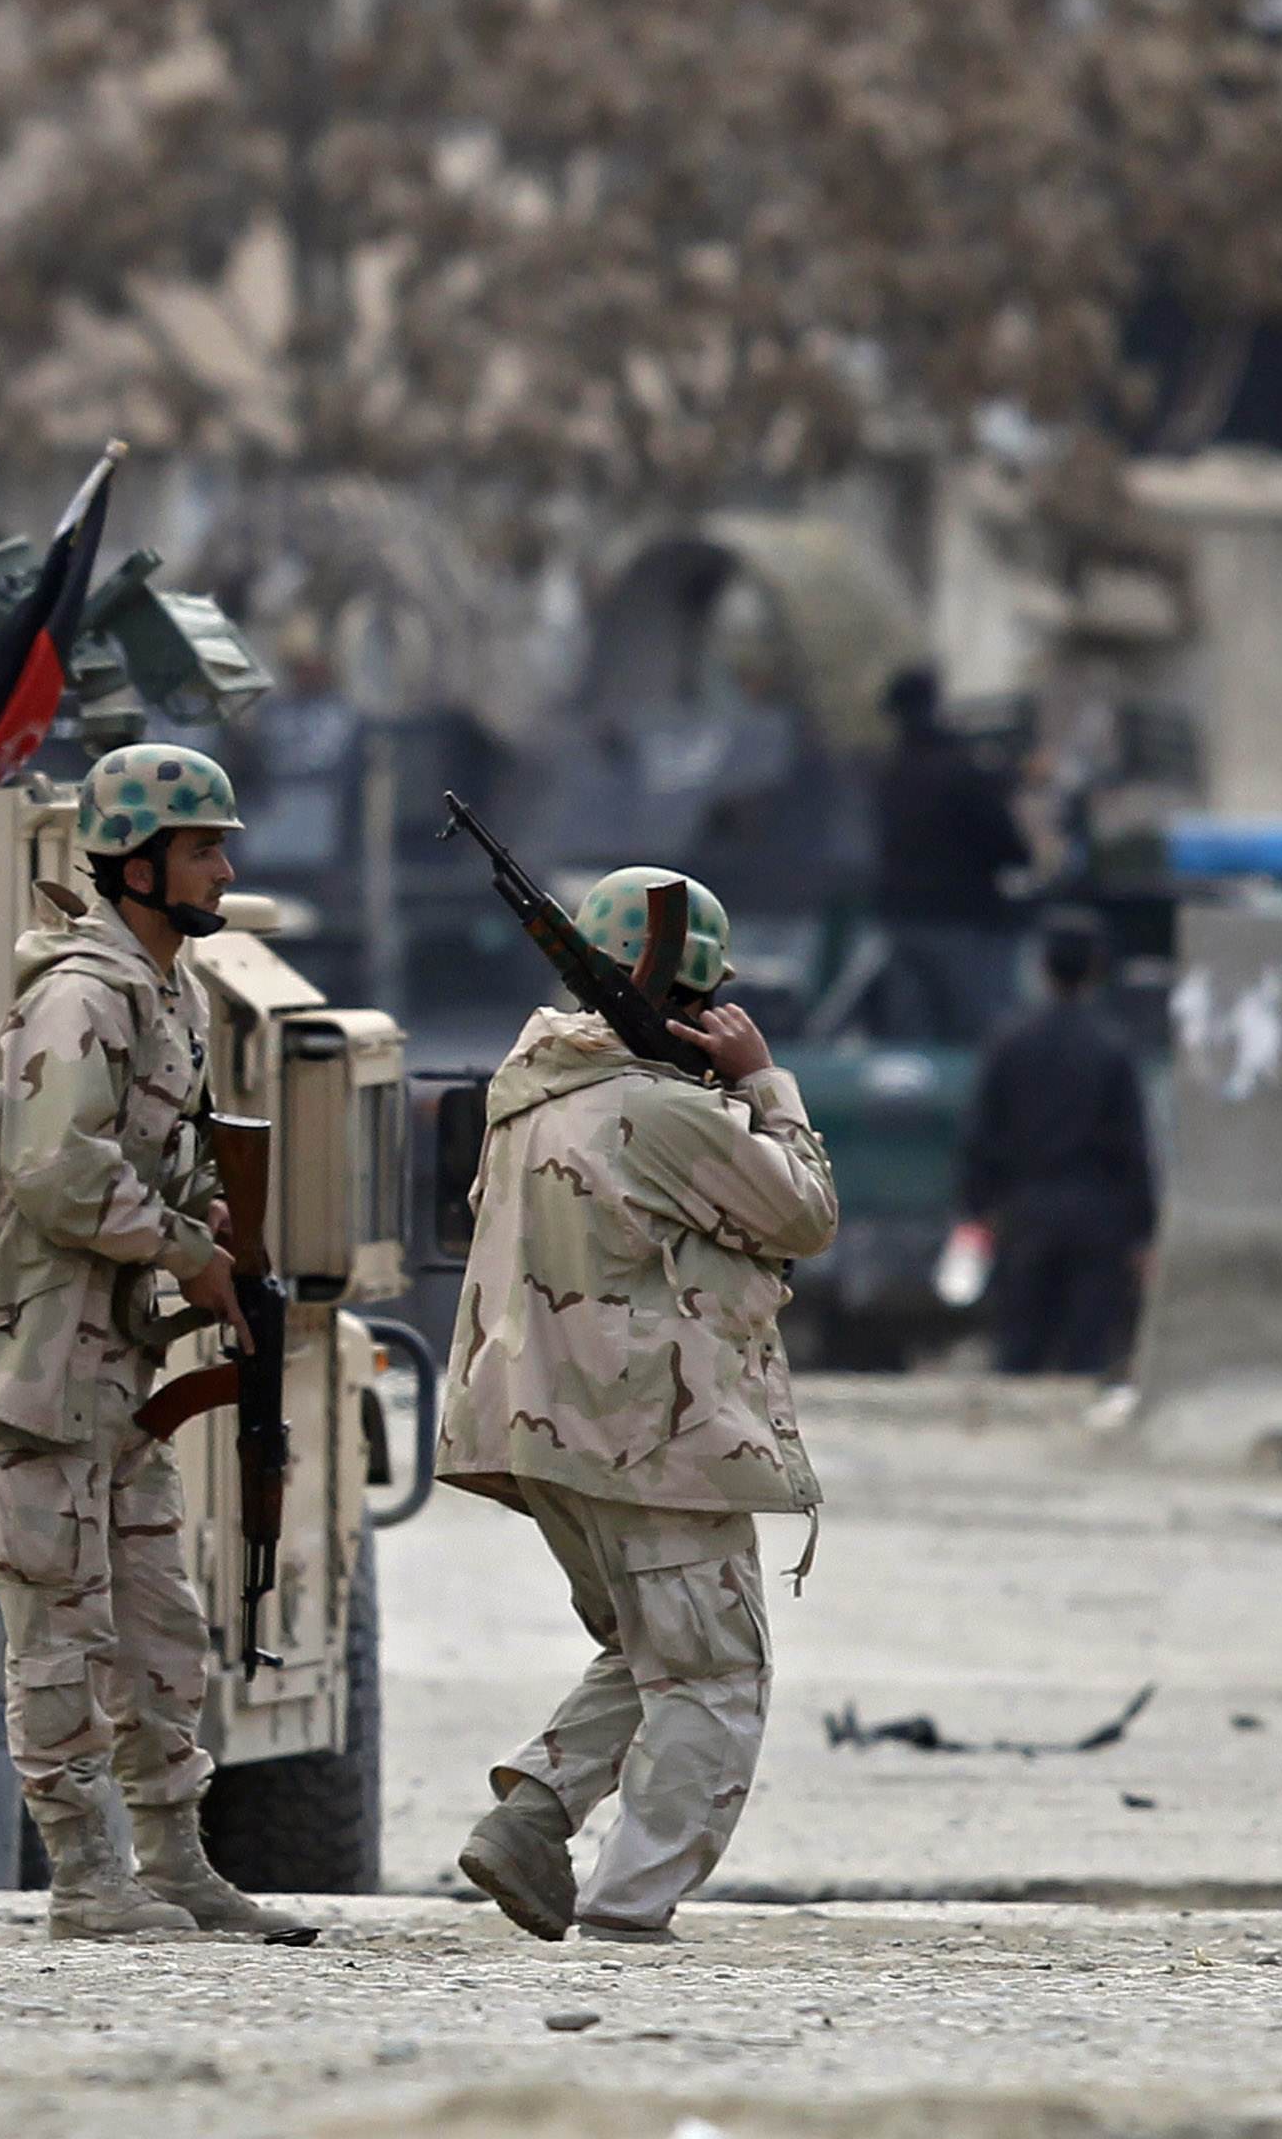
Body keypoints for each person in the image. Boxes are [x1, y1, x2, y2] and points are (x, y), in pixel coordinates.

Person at [0, 743, 306, 1942]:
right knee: (59, 1632)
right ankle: (87, 1876)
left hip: (112, 1366)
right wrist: (186, 1249)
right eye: (202, 849)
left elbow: (151, 1152)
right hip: (37, 1362)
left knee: (160, 1625)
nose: (223, 870)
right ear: (138, 864)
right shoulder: (82, 995)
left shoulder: (167, 993)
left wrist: (208, 1216)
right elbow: (55, 1170)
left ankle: (174, 1862)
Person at [442, 867, 837, 1945]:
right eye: (705, 1000)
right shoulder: (660, 1110)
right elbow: (805, 1212)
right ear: (672, 997)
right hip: (649, 1439)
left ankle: (533, 1816)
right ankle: (627, 1911)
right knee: (713, 1676)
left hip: (549, 1437)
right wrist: (765, 1082)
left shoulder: (532, 1092)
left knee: (650, 1647)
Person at [954, 910, 1155, 1375]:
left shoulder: (1010, 1044)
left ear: (1042, 966)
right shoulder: (1112, 1049)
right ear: (1096, 969)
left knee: (1018, 1349)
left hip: (1026, 1212)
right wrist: (1143, 1232)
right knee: (1088, 1354)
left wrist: (975, 1209)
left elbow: (981, 1136)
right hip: (1097, 1217)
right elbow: (1132, 1147)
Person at [871, 667, 1032, 1041]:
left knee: (910, 1036)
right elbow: (1007, 847)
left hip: (901, 916)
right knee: (973, 1030)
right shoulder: (963, 769)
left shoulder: (889, 773)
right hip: (961, 919)